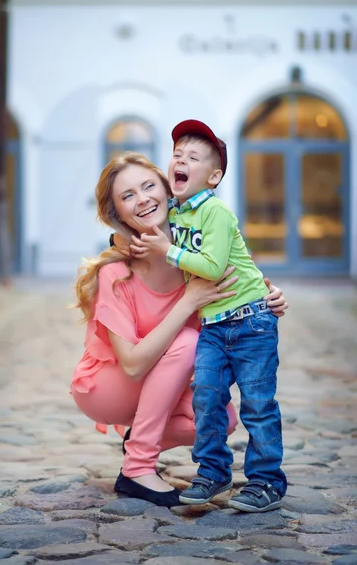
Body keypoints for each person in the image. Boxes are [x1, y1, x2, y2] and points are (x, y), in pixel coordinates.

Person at [71, 152, 288, 508]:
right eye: (127, 196)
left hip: (159, 374)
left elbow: (241, 284)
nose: (142, 199)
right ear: (118, 214)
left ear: (167, 190)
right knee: (188, 341)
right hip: (108, 385)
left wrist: (269, 297)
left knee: (221, 417)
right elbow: (133, 364)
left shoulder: (195, 254)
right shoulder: (117, 273)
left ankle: (139, 436)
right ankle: (137, 467)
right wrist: (187, 302)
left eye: (148, 186)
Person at [132, 120, 287, 512]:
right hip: (215, 325)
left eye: (193, 157)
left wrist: (168, 250)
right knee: (207, 396)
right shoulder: (173, 209)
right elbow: (133, 227)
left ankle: (268, 481)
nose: (180, 160)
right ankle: (213, 470)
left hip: (251, 320)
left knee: (257, 403)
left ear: (213, 176)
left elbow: (214, 267)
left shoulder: (215, 211)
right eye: (177, 155)